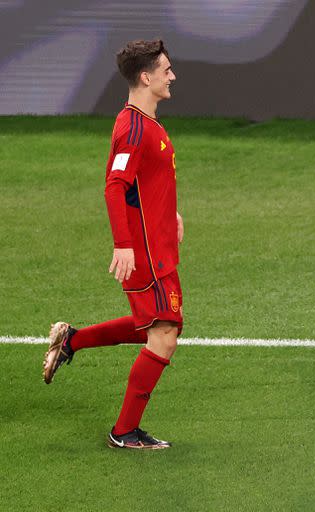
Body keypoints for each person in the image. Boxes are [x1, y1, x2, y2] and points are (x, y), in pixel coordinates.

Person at [43, 39, 182, 449]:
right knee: (164, 333)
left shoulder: (147, 122)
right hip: (144, 253)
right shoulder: (135, 127)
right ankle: (124, 431)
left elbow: (148, 182)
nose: (171, 75)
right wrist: (123, 245)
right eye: (166, 70)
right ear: (146, 76)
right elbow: (114, 186)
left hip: (158, 246)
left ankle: (72, 340)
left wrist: (169, 214)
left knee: (155, 326)